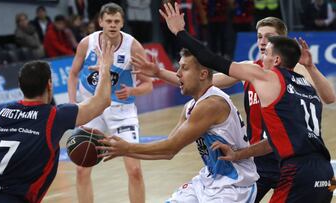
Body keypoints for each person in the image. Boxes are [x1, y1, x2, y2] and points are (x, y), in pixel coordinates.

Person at [131, 15, 336, 202]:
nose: (263, 42)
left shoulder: (278, 74)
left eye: (269, 37)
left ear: (280, 45)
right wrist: (159, 72)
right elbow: (204, 81)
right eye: (259, 36)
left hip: (291, 164)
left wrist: (180, 33)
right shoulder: (255, 70)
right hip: (266, 160)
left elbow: (329, 97)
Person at [98, 48, 259, 202]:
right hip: (209, 179)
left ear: (203, 74)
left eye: (184, 68)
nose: (178, 73)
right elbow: (167, 152)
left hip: (234, 184)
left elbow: (170, 147)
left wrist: (127, 148)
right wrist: (123, 150)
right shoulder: (190, 107)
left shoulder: (212, 104)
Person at [0, 40, 114, 203]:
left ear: (20, 86)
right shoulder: (55, 116)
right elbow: (102, 101)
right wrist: (105, 68)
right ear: (50, 84)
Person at [67, 3, 152, 203]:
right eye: (108, 21)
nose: (112, 25)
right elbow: (72, 74)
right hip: (91, 109)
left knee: (135, 171)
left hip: (122, 110)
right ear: (100, 22)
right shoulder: (87, 43)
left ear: (122, 23)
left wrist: (132, 90)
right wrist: (72, 103)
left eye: (116, 21)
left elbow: (148, 85)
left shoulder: (133, 46)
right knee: (81, 168)